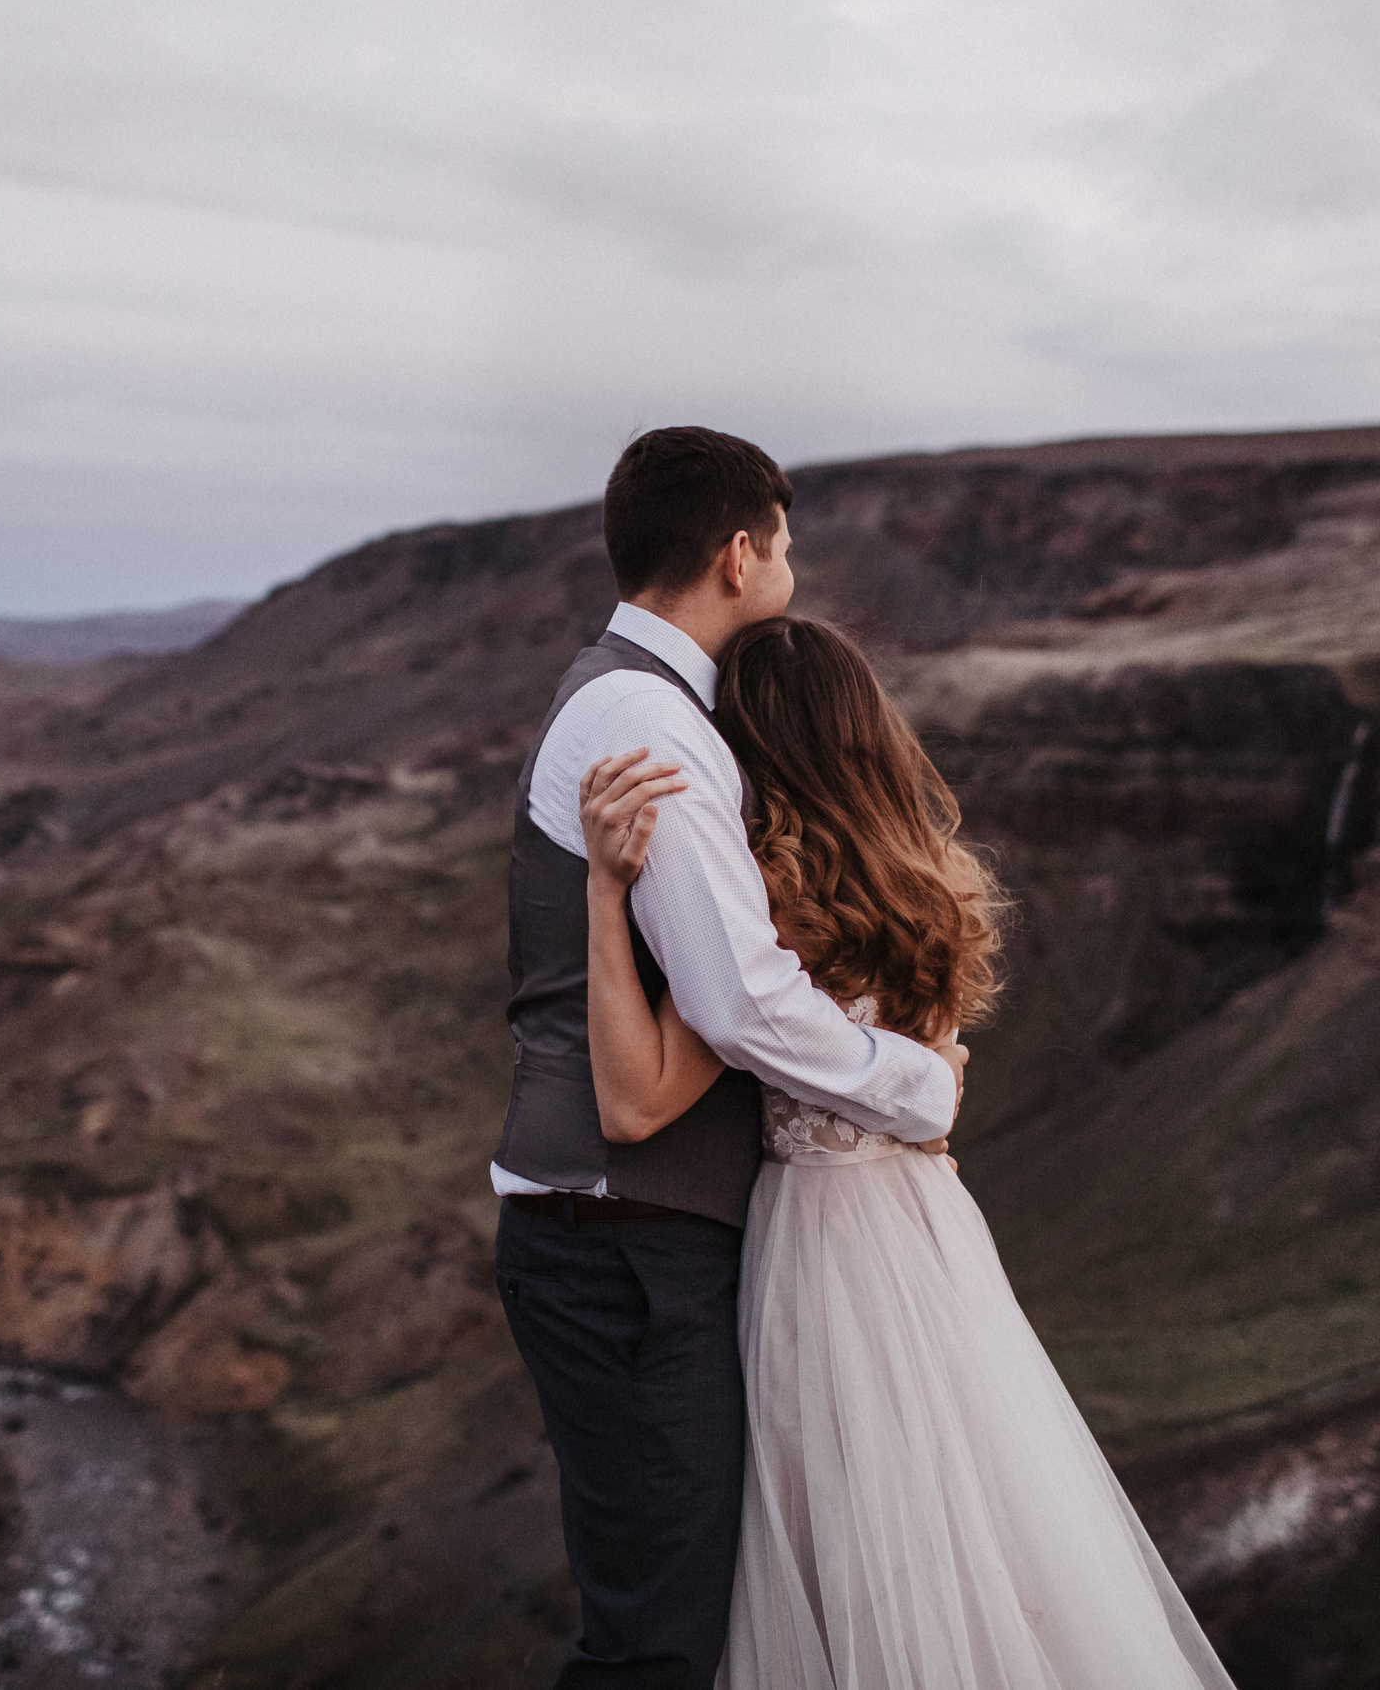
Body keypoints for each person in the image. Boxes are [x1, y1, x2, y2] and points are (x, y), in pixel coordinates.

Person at [577, 616, 1238, 1689]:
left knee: (846, 1520)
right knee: (968, 1501)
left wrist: (605, 894)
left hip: (821, 1235)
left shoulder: (768, 899)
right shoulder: (923, 877)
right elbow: (932, 1086)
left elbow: (637, 1096)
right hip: (928, 1219)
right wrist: (925, 1103)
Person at [489, 428, 970, 1689]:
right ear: (739, 552)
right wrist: (916, 1084)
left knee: (684, 1617)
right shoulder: (646, 721)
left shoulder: (645, 701)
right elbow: (742, 999)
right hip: (620, 1235)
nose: (792, 572)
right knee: (657, 1642)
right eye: (789, 547)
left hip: (636, 1233)